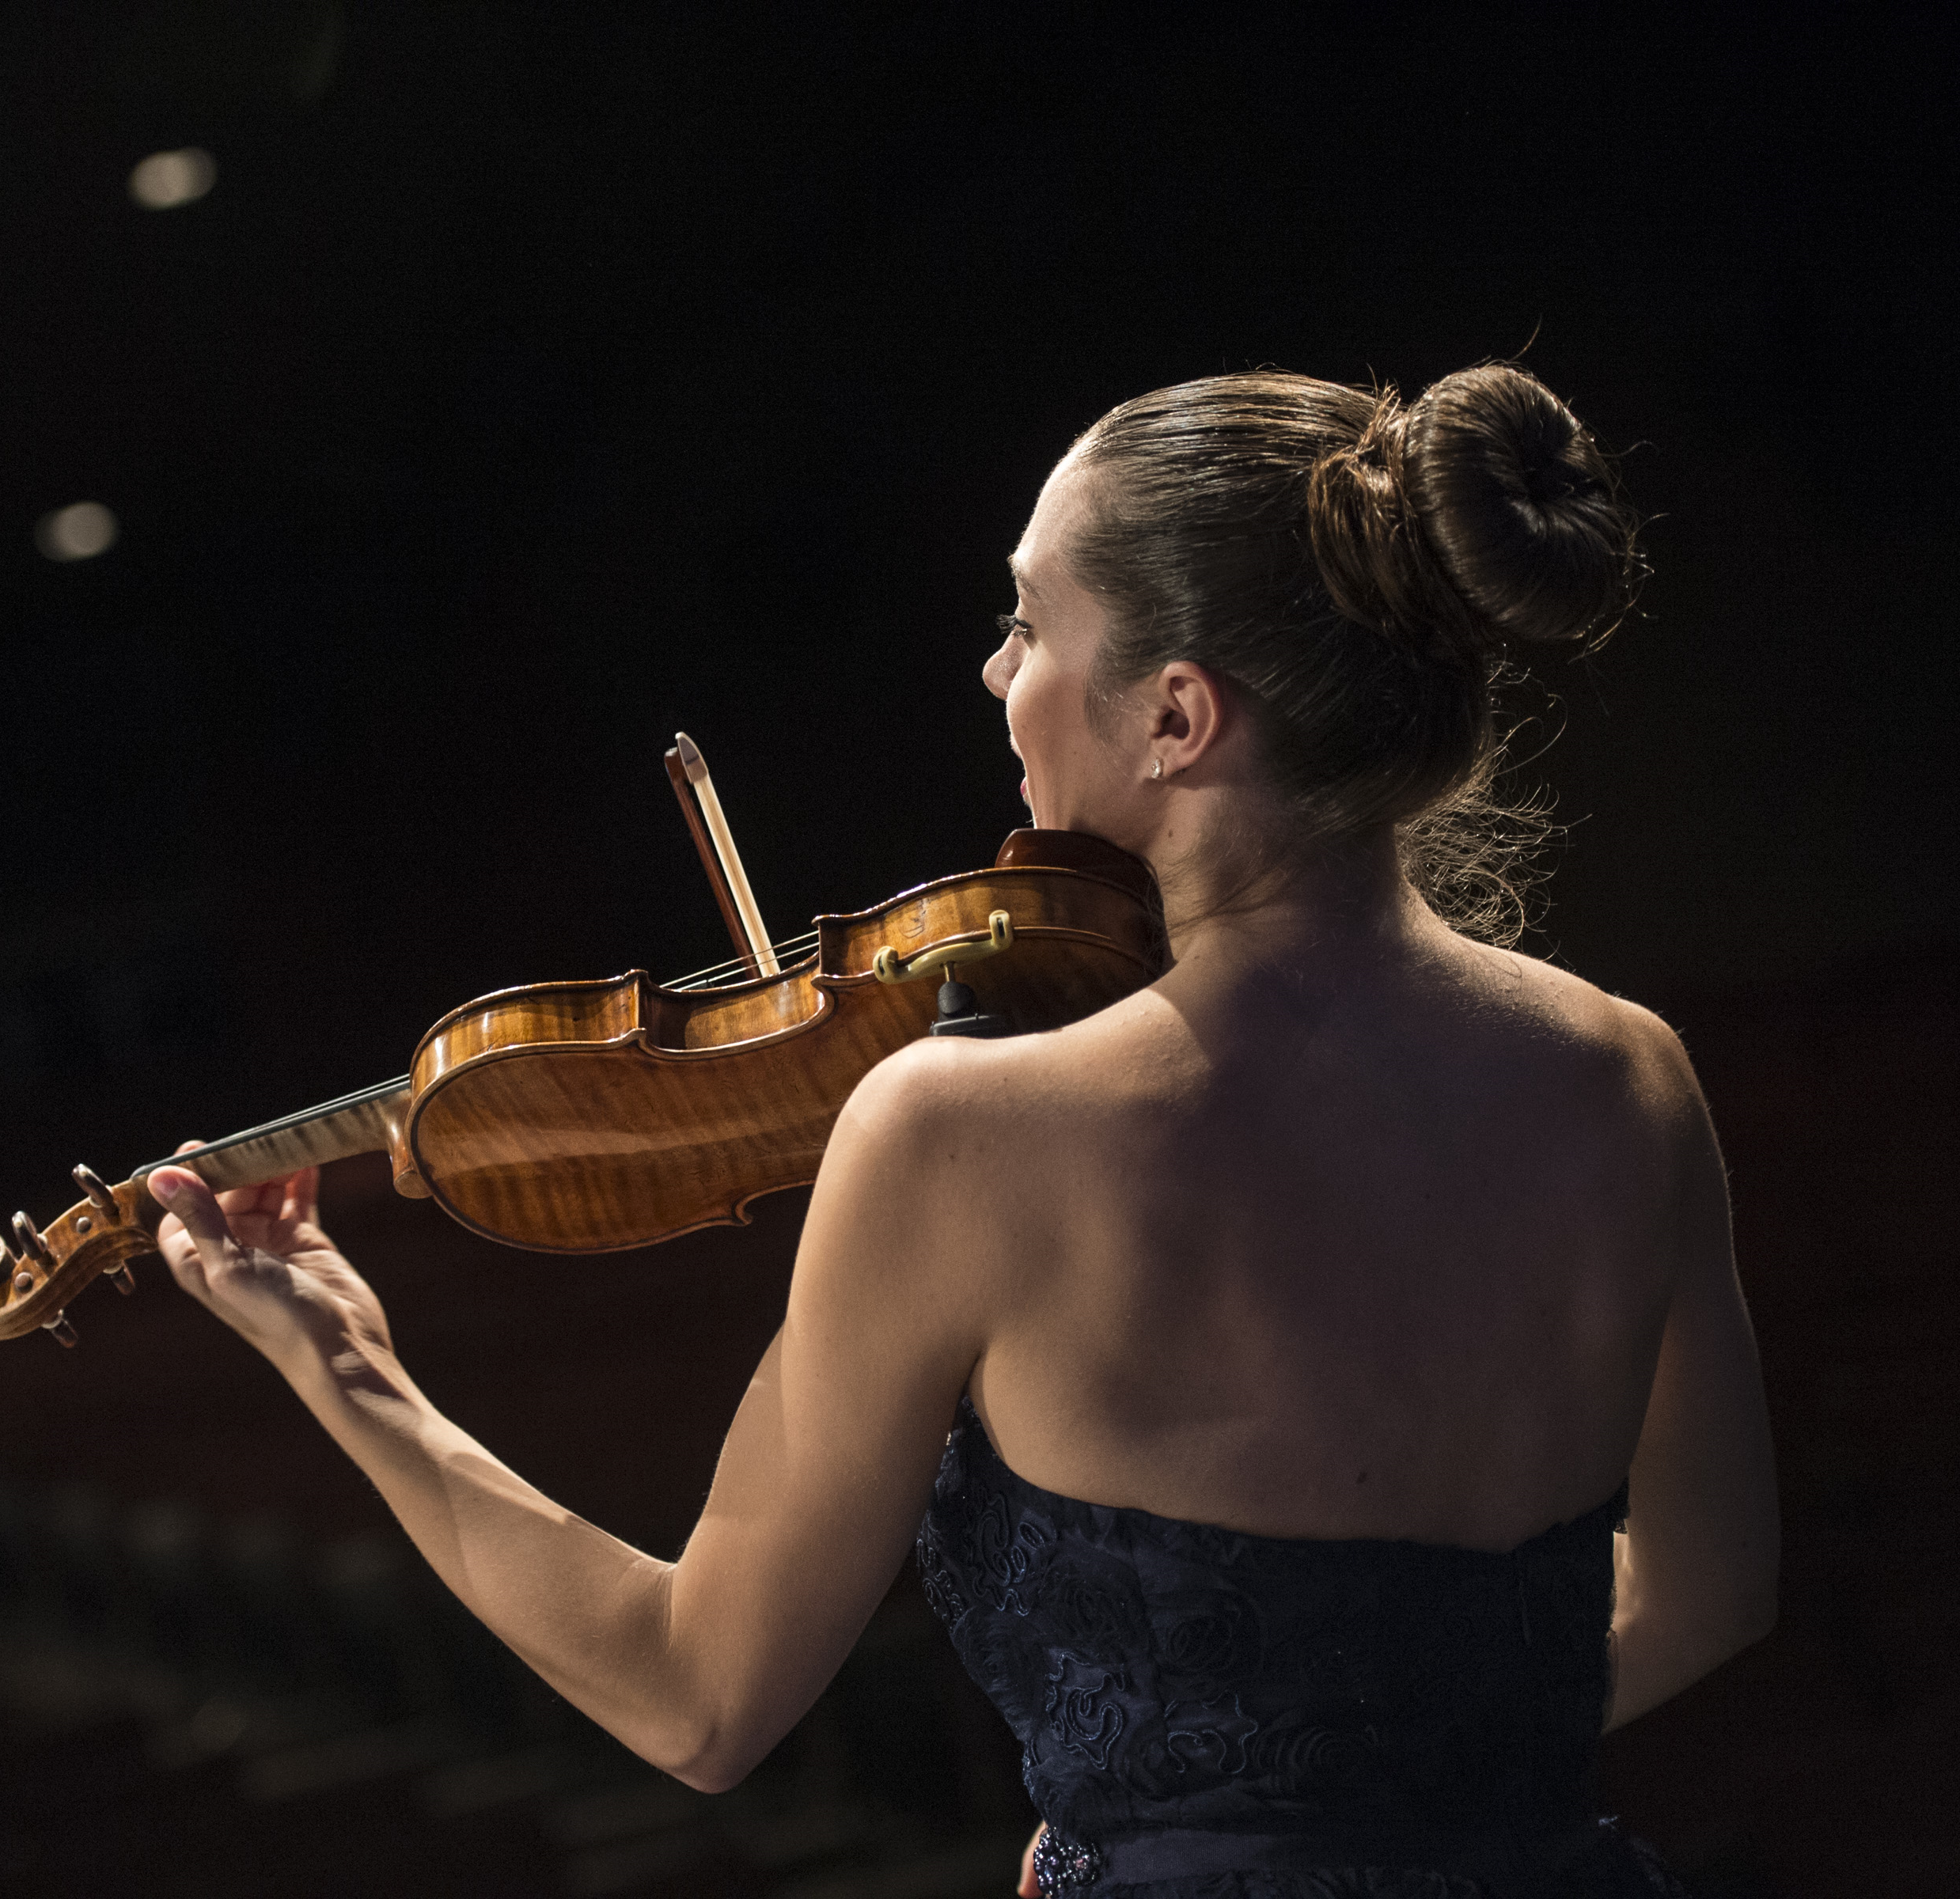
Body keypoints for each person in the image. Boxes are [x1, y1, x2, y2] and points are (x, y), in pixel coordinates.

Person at [145, 362, 1779, 1897]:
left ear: (1178, 718)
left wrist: (341, 1364)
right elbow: (1712, 1590)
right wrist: (1387, 1779)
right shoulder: (1630, 1077)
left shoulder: (964, 1128)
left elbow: (695, 1699)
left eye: (1028, 623)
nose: (1000, 675)